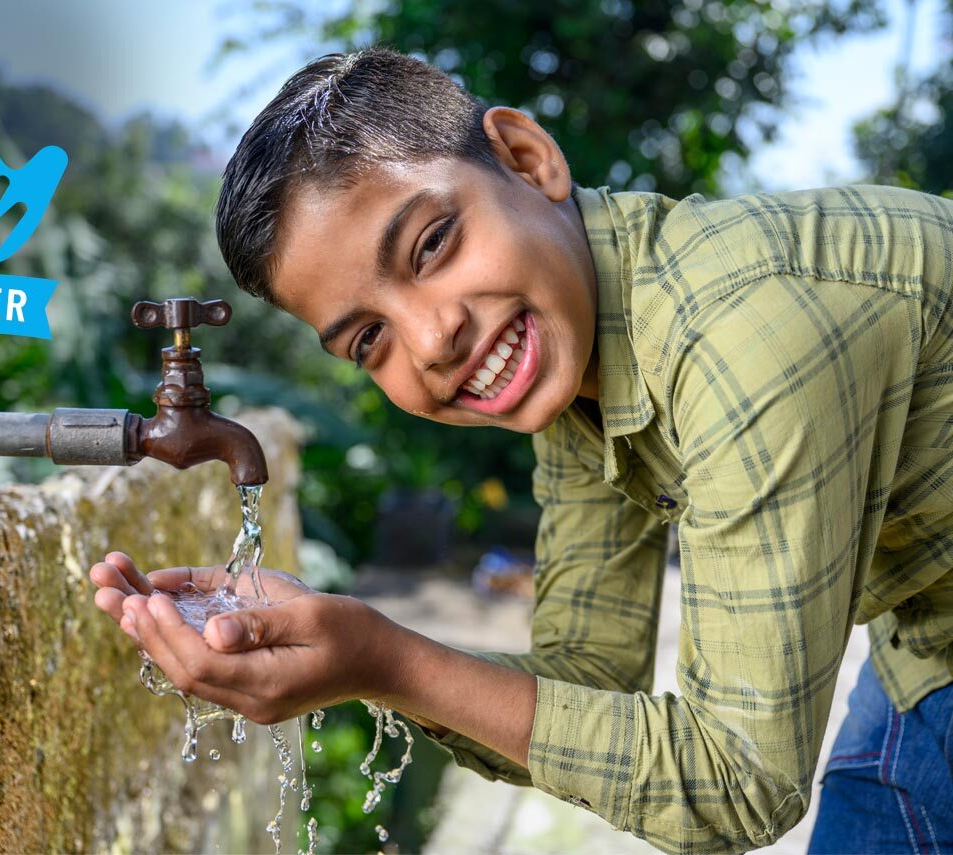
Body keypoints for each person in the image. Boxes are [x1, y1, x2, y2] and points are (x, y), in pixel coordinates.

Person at [89, 48, 953, 854]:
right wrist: (351, 654)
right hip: (927, 639)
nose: (431, 340)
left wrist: (387, 660)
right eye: (367, 340)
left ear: (527, 156)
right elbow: (588, 675)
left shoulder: (743, 339)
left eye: (432, 244)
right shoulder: (582, 373)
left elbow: (740, 779)